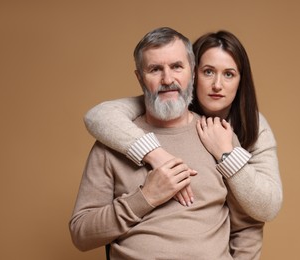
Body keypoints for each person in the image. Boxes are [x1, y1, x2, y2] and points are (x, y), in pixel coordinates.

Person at [70, 27, 263, 259]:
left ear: (192, 73)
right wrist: (145, 198)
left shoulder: (219, 137)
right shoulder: (112, 143)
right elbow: (81, 234)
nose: (167, 79)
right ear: (140, 78)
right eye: (155, 69)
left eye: (176, 67)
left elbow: (247, 225)